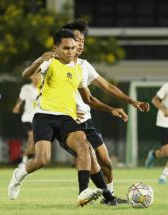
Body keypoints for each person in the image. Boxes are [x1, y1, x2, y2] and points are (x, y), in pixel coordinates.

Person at [26, 19, 149, 203]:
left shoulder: (83, 66)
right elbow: (40, 85)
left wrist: (129, 102)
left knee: (106, 162)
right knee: (90, 158)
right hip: (66, 121)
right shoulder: (53, 64)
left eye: (82, 40)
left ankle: (108, 196)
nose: (80, 43)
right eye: (76, 39)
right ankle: (97, 196)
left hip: (86, 121)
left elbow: (105, 88)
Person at [8, 29, 128, 206]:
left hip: (67, 118)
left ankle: (83, 192)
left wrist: (110, 109)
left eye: (72, 48)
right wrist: (39, 61)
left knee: (85, 146)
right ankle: (19, 175)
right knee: (42, 159)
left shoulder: (79, 69)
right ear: (56, 48)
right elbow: (26, 74)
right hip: (44, 116)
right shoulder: (49, 62)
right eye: (65, 48)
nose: (70, 51)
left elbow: (87, 98)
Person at [12, 73, 41, 167]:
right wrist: (17, 106)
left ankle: (33, 160)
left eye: (39, 75)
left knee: (37, 141)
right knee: (32, 137)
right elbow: (21, 98)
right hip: (27, 118)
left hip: (39, 118)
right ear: (30, 77)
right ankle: (24, 161)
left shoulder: (44, 88)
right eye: (34, 75)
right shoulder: (26, 88)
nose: (36, 77)